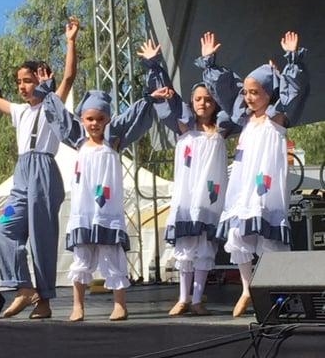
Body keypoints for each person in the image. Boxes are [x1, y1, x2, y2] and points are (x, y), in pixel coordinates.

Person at [36, 40, 170, 321]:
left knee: (113, 255)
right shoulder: (78, 138)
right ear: (83, 119)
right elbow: (58, 115)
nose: (94, 124)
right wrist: (49, 91)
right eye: (89, 119)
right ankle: (78, 305)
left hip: (107, 209)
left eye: (99, 119)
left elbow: (138, 112)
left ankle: (120, 303)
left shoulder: (115, 138)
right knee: (82, 258)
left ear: (108, 119)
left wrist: (150, 87)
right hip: (84, 210)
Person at [0, 17, 79, 319]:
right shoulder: (18, 111)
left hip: (43, 169)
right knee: (4, 228)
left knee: (42, 237)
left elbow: (69, 78)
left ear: (39, 81)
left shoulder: (51, 104)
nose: (22, 86)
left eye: (27, 81)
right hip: (22, 173)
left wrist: (70, 41)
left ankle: (44, 301)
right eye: (19, 82)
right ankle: (23, 288)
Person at [196, 31, 309, 317]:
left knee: (270, 239)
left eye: (255, 92)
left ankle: (277, 294)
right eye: (247, 92)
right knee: (238, 233)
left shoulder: (278, 117)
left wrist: (292, 61)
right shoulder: (245, 120)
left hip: (265, 187)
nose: (247, 97)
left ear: (269, 94)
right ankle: (247, 288)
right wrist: (210, 62)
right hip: (242, 187)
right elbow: (226, 89)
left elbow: (295, 89)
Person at [139, 40, 228, 316]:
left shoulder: (221, 129)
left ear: (214, 104)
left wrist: (210, 64)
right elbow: (168, 97)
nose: (203, 103)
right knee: (185, 248)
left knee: (204, 249)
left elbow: (240, 101)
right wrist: (155, 64)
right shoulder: (183, 125)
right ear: (192, 102)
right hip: (187, 198)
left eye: (208, 99)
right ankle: (182, 297)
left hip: (209, 199)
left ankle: (199, 299)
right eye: (198, 99)